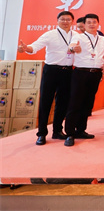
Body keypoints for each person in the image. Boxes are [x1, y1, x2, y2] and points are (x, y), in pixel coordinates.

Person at [17, 11, 74, 145]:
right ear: (57, 21)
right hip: (51, 70)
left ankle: (57, 131)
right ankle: (41, 134)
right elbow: (35, 47)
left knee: (62, 102)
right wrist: (26, 48)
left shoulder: (76, 35)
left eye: (68, 19)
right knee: (46, 102)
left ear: (72, 21)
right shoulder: (50, 34)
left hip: (67, 71)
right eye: (62, 19)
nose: (65, 22)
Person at [64, 13, 104, 147]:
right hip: (81, 73)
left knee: (87, 103)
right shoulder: (78, 37)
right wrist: (73, 48)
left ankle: (81, 130)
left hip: (95, 74)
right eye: (89, 22)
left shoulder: (103, 39)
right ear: (84, 25)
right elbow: (71, 46)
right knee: (75, 102)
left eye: (94, 22)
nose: (91, 24)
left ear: (98, 24)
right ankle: (70, 133)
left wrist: (102, 70)